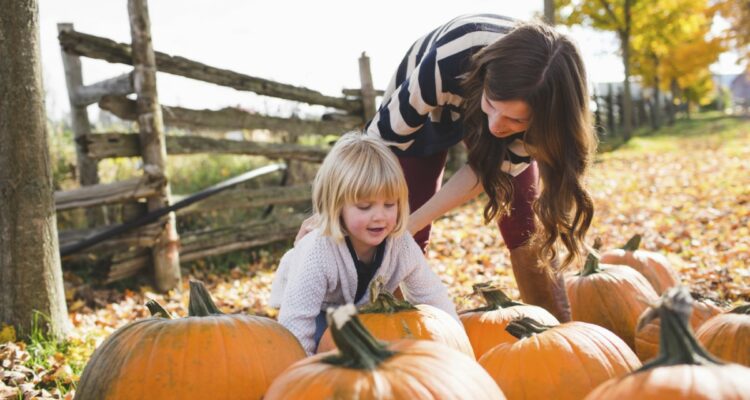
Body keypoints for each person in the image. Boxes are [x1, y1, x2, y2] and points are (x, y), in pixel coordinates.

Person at [299, 15, 596, 322]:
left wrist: (415, 221)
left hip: (497, 104)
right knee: (397, 221)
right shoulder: (447, 60)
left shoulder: (553, 106)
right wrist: (335, 210)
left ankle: (557, 327)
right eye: (492, 106)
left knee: (524, 220)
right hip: (425, 111)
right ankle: (394, 333)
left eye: (515, 120)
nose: (495, 126)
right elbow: (376, 143)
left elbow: (487, 173)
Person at [270, 132, 460, 355]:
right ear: (336, 206)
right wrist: (303, 374)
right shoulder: (318, 251)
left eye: (389, 204)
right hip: (315, 309)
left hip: (358, 310)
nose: (379, 216)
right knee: (331, 351)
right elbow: (296, 323)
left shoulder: (402, 245)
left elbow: (433, 297)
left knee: (381, 350)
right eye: (364, 207)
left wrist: (460, 348)